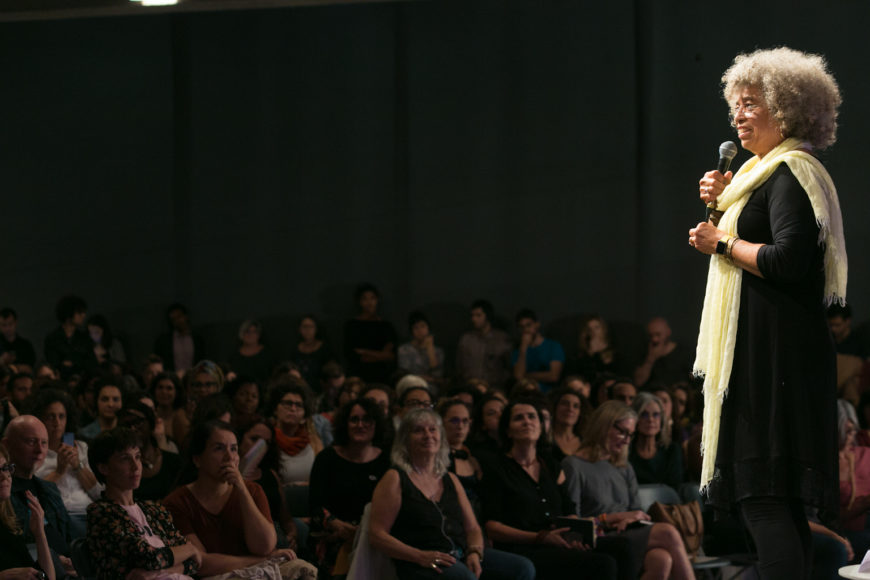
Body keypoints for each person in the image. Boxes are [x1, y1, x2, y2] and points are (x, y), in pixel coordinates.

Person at [689, 47, 847, 577]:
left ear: (788, 110)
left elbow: (789, 261)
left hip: (774, 361)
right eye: (735, 103)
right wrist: (724, 199)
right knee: (775, 507)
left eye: (751, 103)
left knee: (763, 499)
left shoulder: (790, 173)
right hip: (770, 354)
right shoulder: (764, 175)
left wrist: (721, 243)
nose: (737, 114)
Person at [370, 407, 536, 580]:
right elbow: (377, 535)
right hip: (420, 561)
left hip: (460, 553)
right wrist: (419, 556)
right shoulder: (395, 478)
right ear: (405, 440)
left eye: (432, 429)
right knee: (464, 578)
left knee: (523, 568)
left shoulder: (450, 478)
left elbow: (472, 528)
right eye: (418, 430)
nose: (428, 435)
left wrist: (474, 552)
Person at [479, 399, 621, 580]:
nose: (527, 422)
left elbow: (569, 508)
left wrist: (574, 535)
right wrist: (539, 537)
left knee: (622, 547)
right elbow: (492, 528)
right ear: (508, 431)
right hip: (525, 545)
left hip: (558, 540)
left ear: (540, 426)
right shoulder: (496, 468)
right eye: (518, 418)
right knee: (603, 564)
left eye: (532, 417)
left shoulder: (551, 465)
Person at [163, 420, 315, 579]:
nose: (229, 457)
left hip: (254, 571)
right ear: (197, 459)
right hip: (214, 576)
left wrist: (241, 488)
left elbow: (264, 546)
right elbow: (200, 563)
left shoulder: (252, 490)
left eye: (234, 449)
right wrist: (262, 560)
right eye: (219, 449)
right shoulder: (177, 502)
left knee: (303, 569)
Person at [562, 401, 693, 580]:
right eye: (622, 432)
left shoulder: (623, 466)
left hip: (626, 532)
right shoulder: (574, 465)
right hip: (599, 534)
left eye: (630, 435)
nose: (626, 440)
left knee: (661, 559)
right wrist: (612, 519)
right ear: (603, 425)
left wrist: (631, 518)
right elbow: (573, 524)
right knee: (668, 533)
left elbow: (636, 510)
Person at [86, 427, 201, 580]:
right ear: (104, 468)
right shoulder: (100, 512)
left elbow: (193, 563)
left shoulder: (154, 509)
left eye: (138, 457)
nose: (136, 466)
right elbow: (149, 558)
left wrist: (153, 574)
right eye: (125, 458)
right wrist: (189, 549)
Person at [308, 398, 390, 577]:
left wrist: (364, 533)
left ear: (376, 424)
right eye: (354, 419)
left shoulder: (387, 461)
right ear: (345, 424)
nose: (360, 425)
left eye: (367, 419)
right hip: (333, 538)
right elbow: (315, 506)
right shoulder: (326, 458)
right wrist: (339, 526)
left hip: (375, 539)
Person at [2, 416, 76, 579]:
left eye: (44, 443)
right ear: (7, 445)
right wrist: (55, 559)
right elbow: (18, 547)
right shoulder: (4, 491)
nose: (39, 450)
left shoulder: (49, 489)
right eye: (31, 442)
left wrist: (75, 562)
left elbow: (70, 536)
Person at [30, 389, 101, 540]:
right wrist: (59, 471)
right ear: (41, 420)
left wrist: (78, 466)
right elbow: (32, 494)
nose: (57, 423)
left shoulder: (80, 447)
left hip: (87, 512)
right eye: (51, 417)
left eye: (61, 416)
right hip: (58, 516)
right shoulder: (34, 452)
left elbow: (98, 493)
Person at [1, 444, 56, 580]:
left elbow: (49, 577)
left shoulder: (8, 520)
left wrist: (39, 533)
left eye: (5, 468)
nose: (4, 476)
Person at [628, 392, 686, 497]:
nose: (650, 420)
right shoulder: (626, 451)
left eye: (655, 415)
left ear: (662, 420)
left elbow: (675, 489)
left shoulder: (672, 450)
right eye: (644, 415)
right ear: (635, 418)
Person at [343, 283, 397, 383]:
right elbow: (353, 356)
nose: (369, 302)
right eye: (365, 299)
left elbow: (390, 356)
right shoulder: (352, 326)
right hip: (359, 375)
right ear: (359, 302)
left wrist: (366, 352)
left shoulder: (386, 326)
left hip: (383, 375)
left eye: (372, 298)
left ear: (377, 300)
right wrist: (379, 356)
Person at [455, 299, 513, 391]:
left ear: (488, 316)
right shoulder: (466, 339)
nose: (474, 319)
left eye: (478, 315)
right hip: (470, 387)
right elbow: (459, 366)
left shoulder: (501, 339)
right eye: (472, 315)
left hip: (493, 388)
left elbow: (508, 366)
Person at [511, 309, 565, 392]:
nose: (525, 330)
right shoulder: (518, 351)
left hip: (548, 392)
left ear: (537, 324)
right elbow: (518, 376)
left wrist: (525, 376)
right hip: (525, 392)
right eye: (521, 327)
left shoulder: (553, 346)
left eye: (528, 325)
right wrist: (523, 347)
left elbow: (554, 376)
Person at [43, 295, 95, 380]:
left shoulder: (84, 338)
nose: (83, 315)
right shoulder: (53, 338)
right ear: (69, 313)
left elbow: (91, 363)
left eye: (83, 312)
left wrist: (73, 363)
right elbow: (53, 362)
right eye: (79, 312)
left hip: (82, 380)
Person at [632, 318, 692, 389]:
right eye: (650, 336)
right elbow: (638, 382)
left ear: (668, 332)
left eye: (658, 335)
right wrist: (651, 358)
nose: (654, 339)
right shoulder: (645, 353)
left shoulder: (684, 353)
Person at [398, 311, 445, 392]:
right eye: (416, 327)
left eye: (423, 326)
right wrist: (424, 378)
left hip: (432, 388)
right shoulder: (404, 349)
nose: (420, 331)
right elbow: (405, 374)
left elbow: (437, 375)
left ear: (428, 328)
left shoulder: (438, 351)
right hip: (411, 386)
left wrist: (430, 350)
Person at [153, 303, 205, 374]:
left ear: (185, 316)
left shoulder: (197, 339)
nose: (177, 321)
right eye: (173, 319)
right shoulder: (165, 341)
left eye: (179, 317)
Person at [290, 315, 335, 392]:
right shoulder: (294, 349)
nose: (307, 330)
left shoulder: (325, 349)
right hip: (298, 388)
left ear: (316, 328)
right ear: (299, 329)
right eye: (304, 327)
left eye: (311, 327)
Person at [565, 315, 618, 381]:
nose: (593, 332)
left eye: (596, 327)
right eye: (588, 328)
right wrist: (591, 353)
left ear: (603, 330)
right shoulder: (577, 357)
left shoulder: (615, 354)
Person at [548, 387, 590, 464]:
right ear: (555, 407)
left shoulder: (586, 442)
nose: (570, 409)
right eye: (565, 404)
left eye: (576, 406)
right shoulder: (545, 440)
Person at [228, 319, 277, 384]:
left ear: (258, 334)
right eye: (247, 331)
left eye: (254, 332)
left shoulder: (268, 354)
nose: (250, 335)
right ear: (242, 334)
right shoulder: (235, 357)